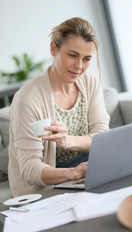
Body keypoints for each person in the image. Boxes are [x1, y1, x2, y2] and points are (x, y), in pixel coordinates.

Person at [8, 17, 110, 197]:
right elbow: (30, 168)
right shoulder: (29, 99)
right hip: (45, 184)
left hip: (82, 167)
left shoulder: (89, 81)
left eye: (86, 59)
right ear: (53, 48)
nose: (79, 67)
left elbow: (102, 137)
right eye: (72, 55)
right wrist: (72, 173)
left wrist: (69, 141)